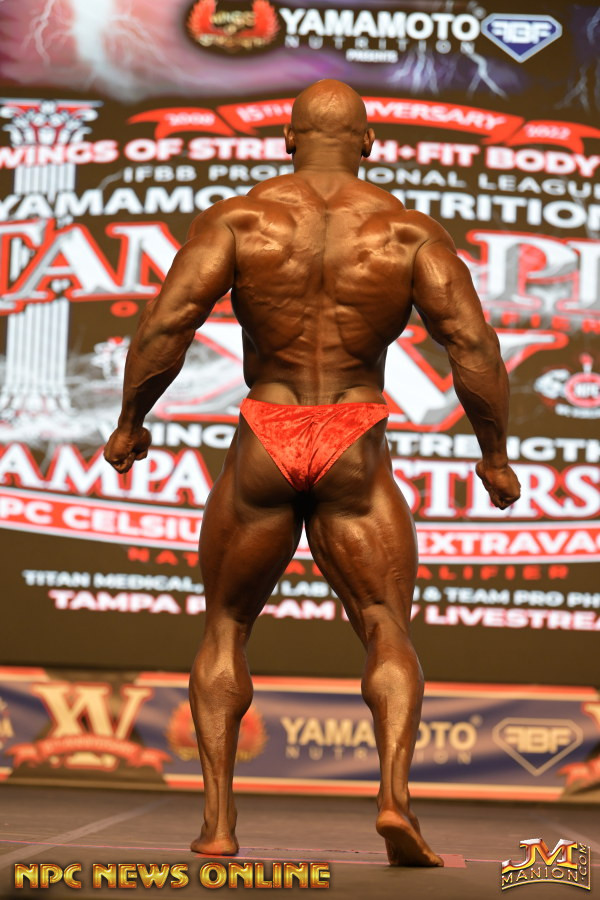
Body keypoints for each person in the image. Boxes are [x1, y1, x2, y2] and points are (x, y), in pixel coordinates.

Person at [104, 79, 521, 867]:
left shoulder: (240, 220)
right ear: (369, 142)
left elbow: (168, 323)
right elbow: (472, 345)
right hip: (352, 433)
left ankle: (218, 824)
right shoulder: (408, 233)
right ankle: (394, 799)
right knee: (384, 622)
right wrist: (493, 455)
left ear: (288, 139)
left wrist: (131, 422)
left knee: (227, 625)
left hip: (268, 429)